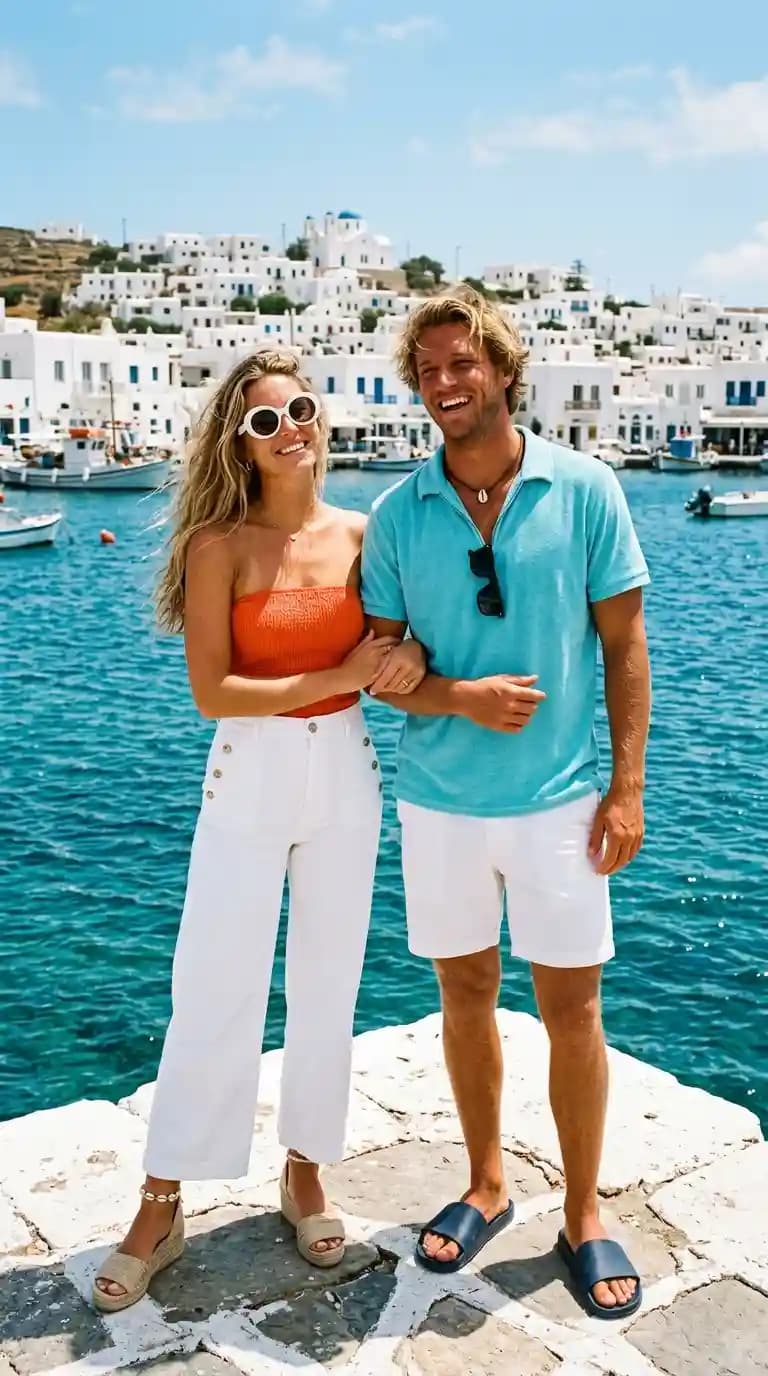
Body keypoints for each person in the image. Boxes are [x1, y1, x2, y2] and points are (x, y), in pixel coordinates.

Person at [93, 349, 425, 1311]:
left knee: (330, 979)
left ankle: (305, 1170)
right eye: (263, 422)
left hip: (347, 775)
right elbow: (213, 691)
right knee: (214, 979)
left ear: (326, 419)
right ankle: (162, 1199)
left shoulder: (365, 535)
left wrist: (406, 664)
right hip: (248, 771)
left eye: (301, 410)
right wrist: (344, 673)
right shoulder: (218, 546)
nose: (290, 432)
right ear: (238, 444)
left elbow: (405, 643)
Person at [361, 287, 651, 1319]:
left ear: (502, 371)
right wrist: (462, 699)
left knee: (574, 1009)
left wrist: (627, 788)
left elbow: (623, 647)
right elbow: (379, 662)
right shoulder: (399, 515)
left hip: (561, 802)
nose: (444, 382)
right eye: (428, 369)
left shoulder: (587, 490)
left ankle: (583, 1211)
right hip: (438, 800)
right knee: (465, 995)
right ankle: (487, 1180)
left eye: (462, 363)